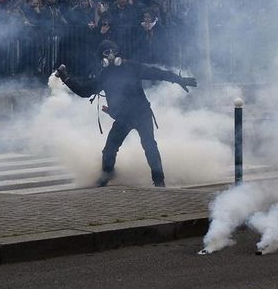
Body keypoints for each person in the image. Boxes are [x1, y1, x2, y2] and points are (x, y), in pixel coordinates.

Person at [55, 39, 197, 187]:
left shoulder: (132, 67)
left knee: (149, 146)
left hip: (142, 114)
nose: (111, 55)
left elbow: (156, 73)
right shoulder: (105, 75)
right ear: (101, 58)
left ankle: (159, 180)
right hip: (123, 118)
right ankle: (107, 174)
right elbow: (85, 91)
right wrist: (66, 78)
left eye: (113, 51)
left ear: (118, 53)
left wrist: (179, 79)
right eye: (106, 52)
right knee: (109, 149)